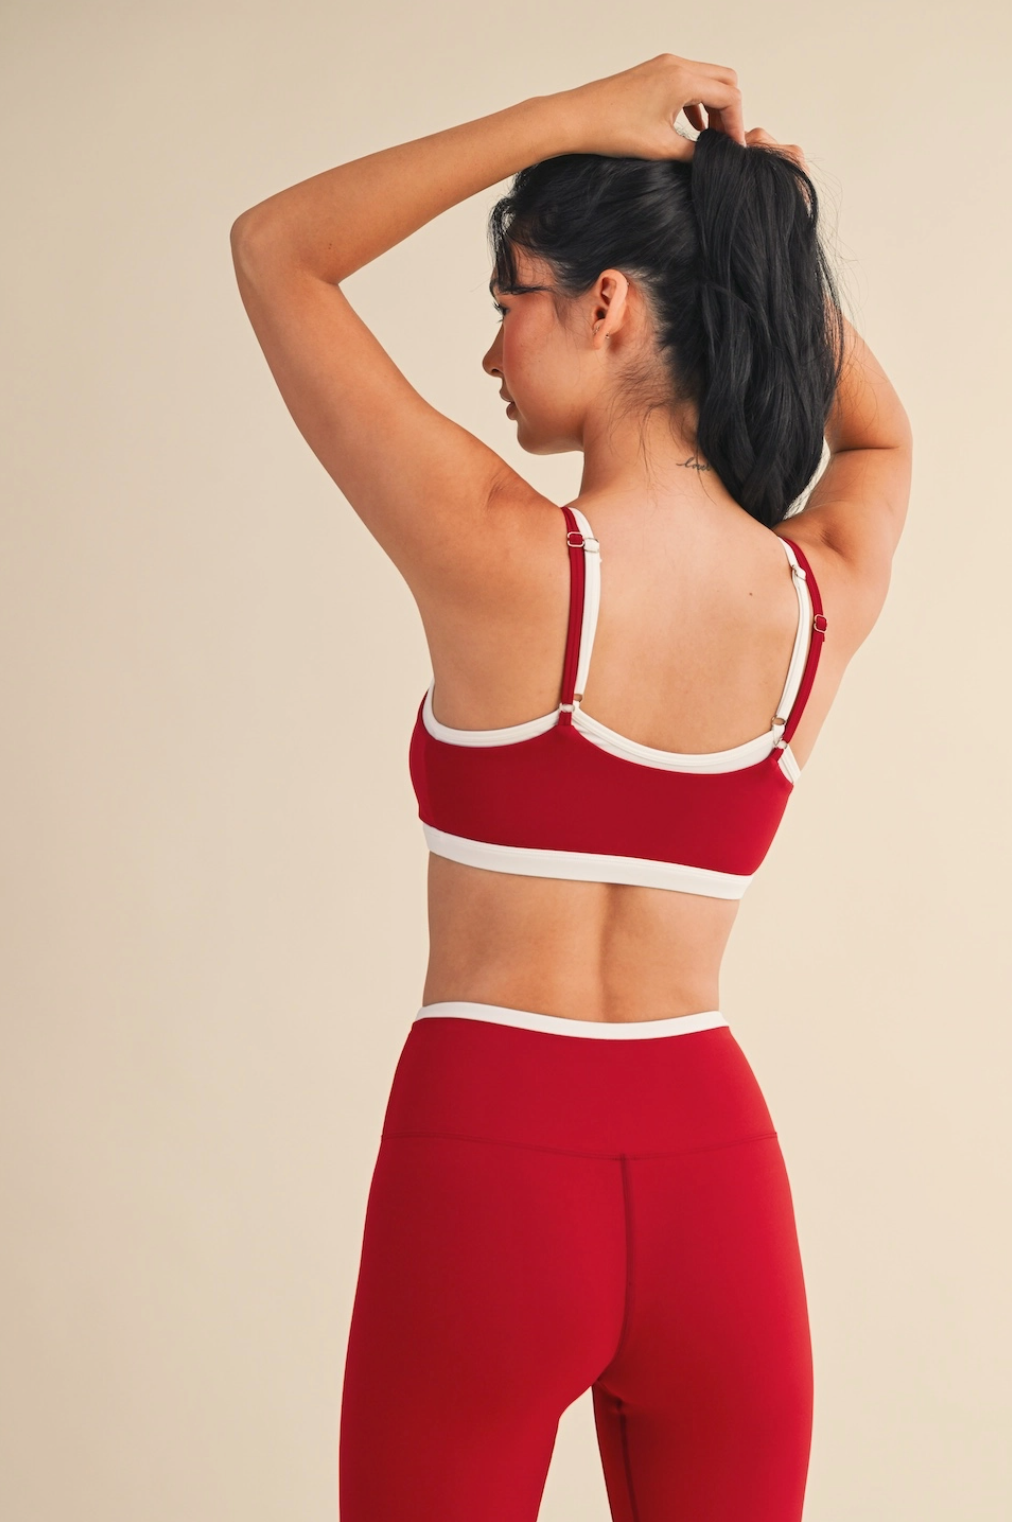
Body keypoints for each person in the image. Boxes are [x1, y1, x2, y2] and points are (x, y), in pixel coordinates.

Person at [230, 52, 912, 1522]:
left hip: (486, 1168)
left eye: (510, 295)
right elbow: (881, 435)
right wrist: (752, 233)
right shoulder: (819, 595)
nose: (490, 348)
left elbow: (277, 249)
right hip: (716, 1179)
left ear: (605, 304)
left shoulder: (495, 553)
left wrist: (568, 121)